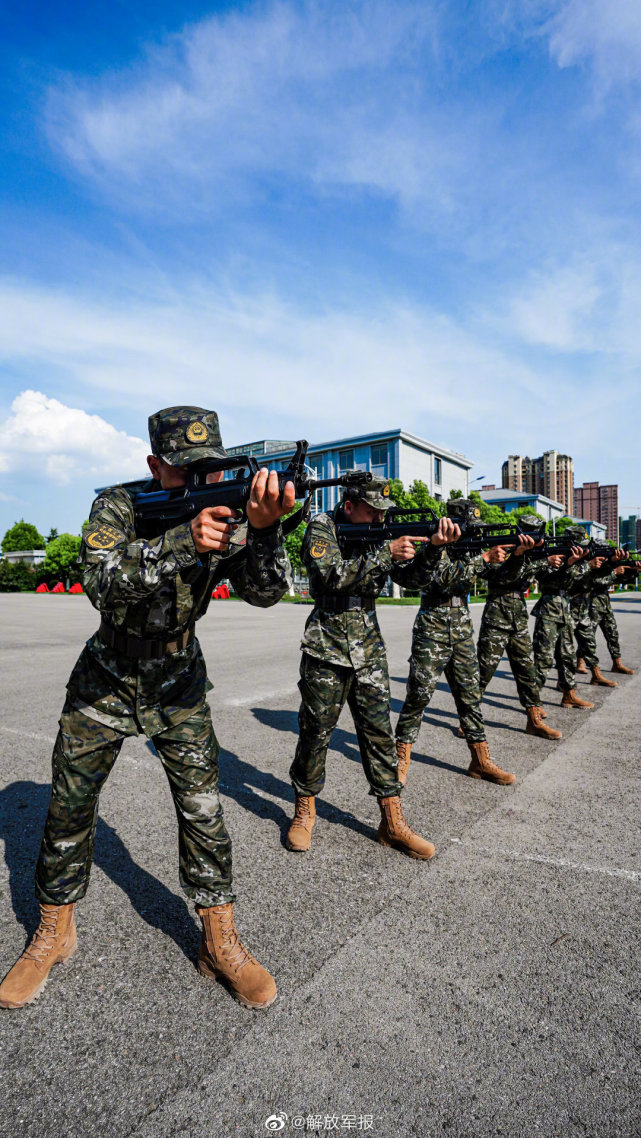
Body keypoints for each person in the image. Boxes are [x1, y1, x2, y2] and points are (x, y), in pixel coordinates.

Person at [0, 406, 294, 1012]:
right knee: (69, 807)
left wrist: (265, 530)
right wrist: (182, 539)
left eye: (211, 471)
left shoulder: (230, 513)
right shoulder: (117, 505)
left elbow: (267, 594)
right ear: (155, 464)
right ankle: (54, 930)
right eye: (184, 472)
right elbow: (100, 583)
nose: (200, 484)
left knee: (204, 809)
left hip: (179, 682)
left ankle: (219, 939)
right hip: (105, 677)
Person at [287, 477, 459, 860]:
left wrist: (432, 549)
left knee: (379, 737)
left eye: (383, 513)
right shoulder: (323, 527)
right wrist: (385, 553)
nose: (379, 520)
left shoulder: (379, 534)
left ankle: (391, 821)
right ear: (349, 507)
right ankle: (304, 809)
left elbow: (413, 579)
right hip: (325, 647)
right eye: (372, 512)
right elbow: (328, 574)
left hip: (368, 649)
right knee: (315, 733)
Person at [395, 498, 517, 787]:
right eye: (470, 528)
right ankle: (400, 759)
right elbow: (442, 579)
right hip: (433, 628)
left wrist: (514, 555)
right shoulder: (434, 546)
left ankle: (480, 760)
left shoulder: (469, 549)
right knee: (418, 697)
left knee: (470, 697)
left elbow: (495, 575)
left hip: (461, 628)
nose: (475, 534)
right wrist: (485, 558)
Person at [476, 516, 562, 740]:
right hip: (497, 613)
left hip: (518, 616)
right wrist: (523, 555)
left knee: (526, 669)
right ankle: (469, 719)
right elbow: (505, 576)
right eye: (529, 532)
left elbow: (547, 578)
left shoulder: (535, 552)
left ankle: (534, 719)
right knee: (484, 671)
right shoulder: (502, 547)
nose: (532, 537)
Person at [531, 527, 594, 709]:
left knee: (567, 657)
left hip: (565, 610)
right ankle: (533, 704)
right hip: (548, 611)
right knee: (543, 660)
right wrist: (569, 563)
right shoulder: (550, 555)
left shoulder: (572, 558)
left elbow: (576, 583)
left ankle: (569, 694)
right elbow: (549, 580)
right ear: (569, 544)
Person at [588, 556, 636, 676]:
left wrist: (634, 570)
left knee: (612, 634)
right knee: (588, 637)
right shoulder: (591, 565)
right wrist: (614, 573)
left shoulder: (607, 567)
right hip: (592, 604)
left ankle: (617, 663)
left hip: (605, 604)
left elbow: (617, 580)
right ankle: (581, 662)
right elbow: (596, 582)